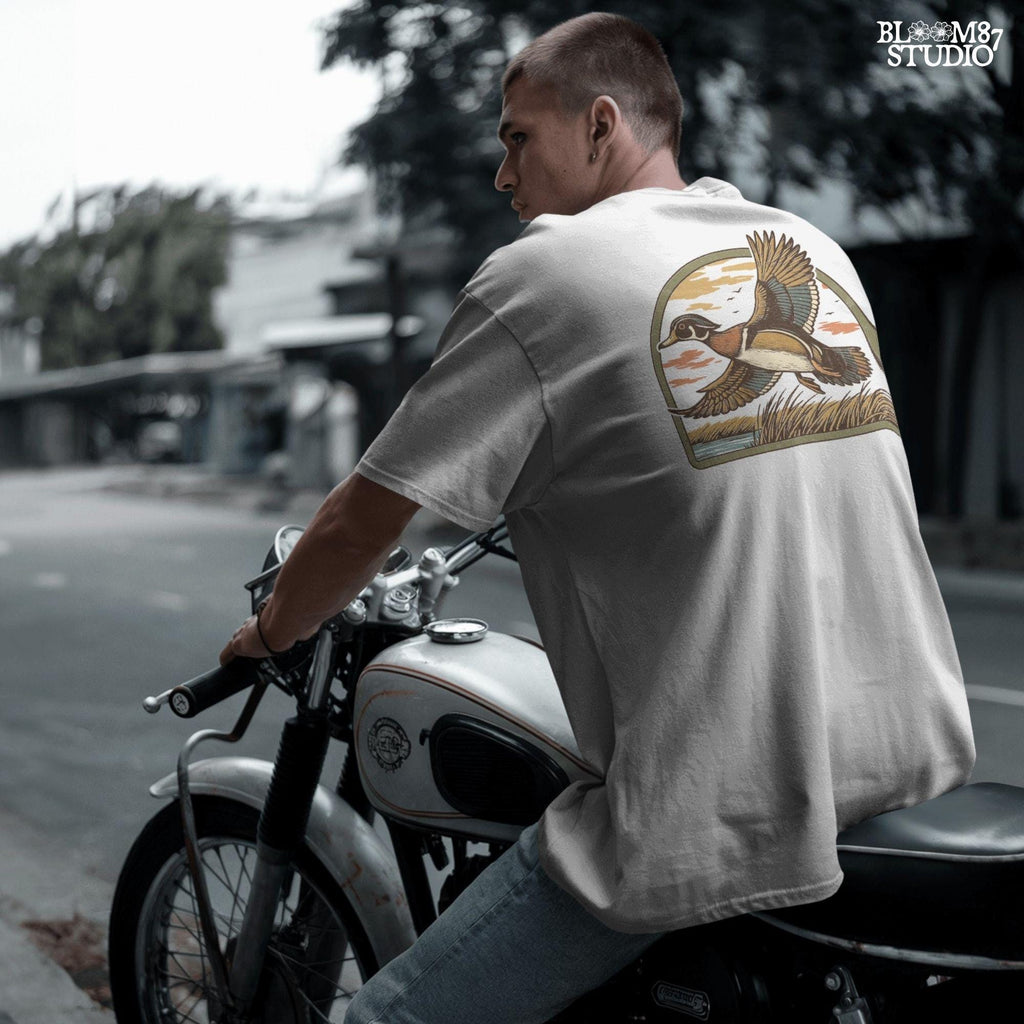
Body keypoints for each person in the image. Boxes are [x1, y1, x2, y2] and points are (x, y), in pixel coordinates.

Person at [221, 12, 976, 1023]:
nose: (502, 175)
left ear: (601, 124)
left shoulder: (547, 273)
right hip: (906, 753)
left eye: (516, 137)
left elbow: (365, 522)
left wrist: (273, 628)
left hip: (721, 807)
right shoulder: (807, 248)